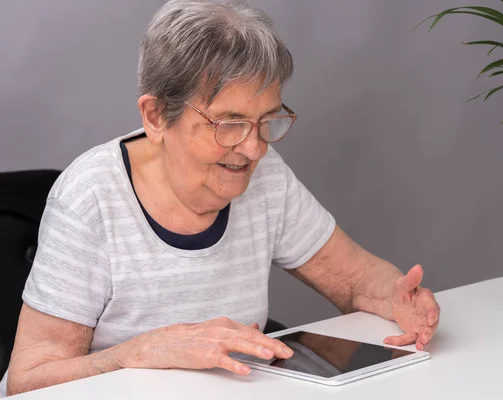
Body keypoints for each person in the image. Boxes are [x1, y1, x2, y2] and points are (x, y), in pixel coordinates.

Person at [3, 0, 440, 396]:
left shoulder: (266, 177)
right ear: (156, 116)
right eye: (228, 124)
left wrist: (392, 296)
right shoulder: (91, 197)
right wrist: (139, 352)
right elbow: (27, 380)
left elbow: (354, 278)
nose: (253, 148)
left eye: (266, 120)